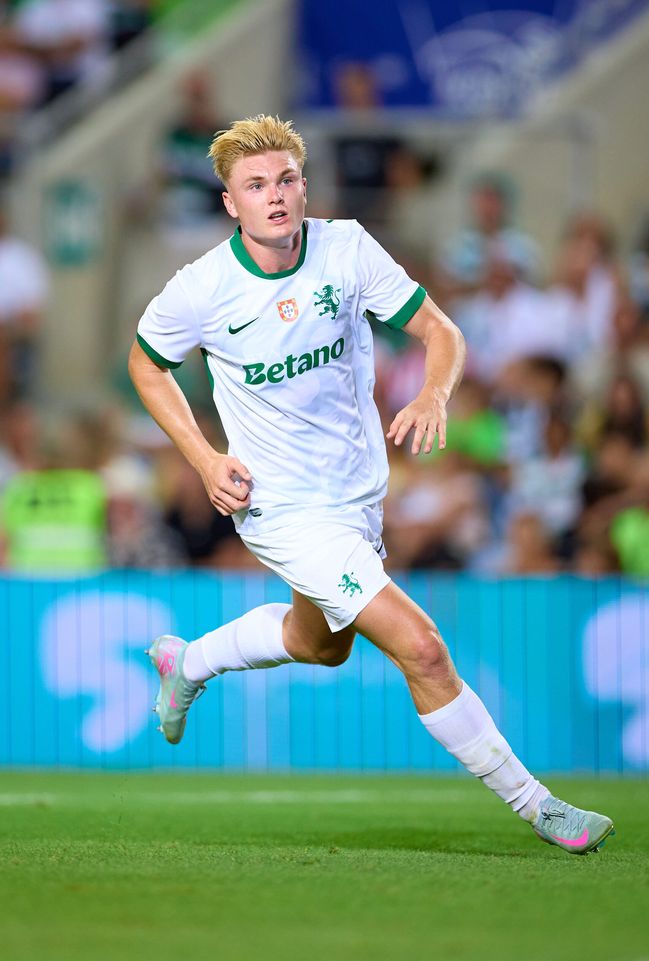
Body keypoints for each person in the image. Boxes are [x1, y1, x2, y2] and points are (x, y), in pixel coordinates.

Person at [128, 115, 614, 856]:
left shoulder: (346, 247)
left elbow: (441, 333)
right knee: (419, 645)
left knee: (320, 645)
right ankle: (539, 804)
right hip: (279, 505)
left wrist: (432, 395)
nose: (276, 196)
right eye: (255, 186)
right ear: (230, 203)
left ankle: (186, 660)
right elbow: (145, 362)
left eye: (286, 179)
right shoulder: (201, 289)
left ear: (302, 183)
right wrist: (201, 455)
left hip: (356, 497)